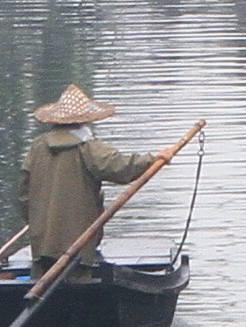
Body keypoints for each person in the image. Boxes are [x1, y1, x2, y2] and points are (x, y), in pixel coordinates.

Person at [20, 87, 155, 271]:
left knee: (44, 274)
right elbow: (121, 168)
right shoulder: (87, 147)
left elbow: (24, 194)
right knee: (78, 276)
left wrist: (34, 223)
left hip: (42, 244)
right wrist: (154, 160)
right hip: (77, 245)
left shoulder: (37, 146)